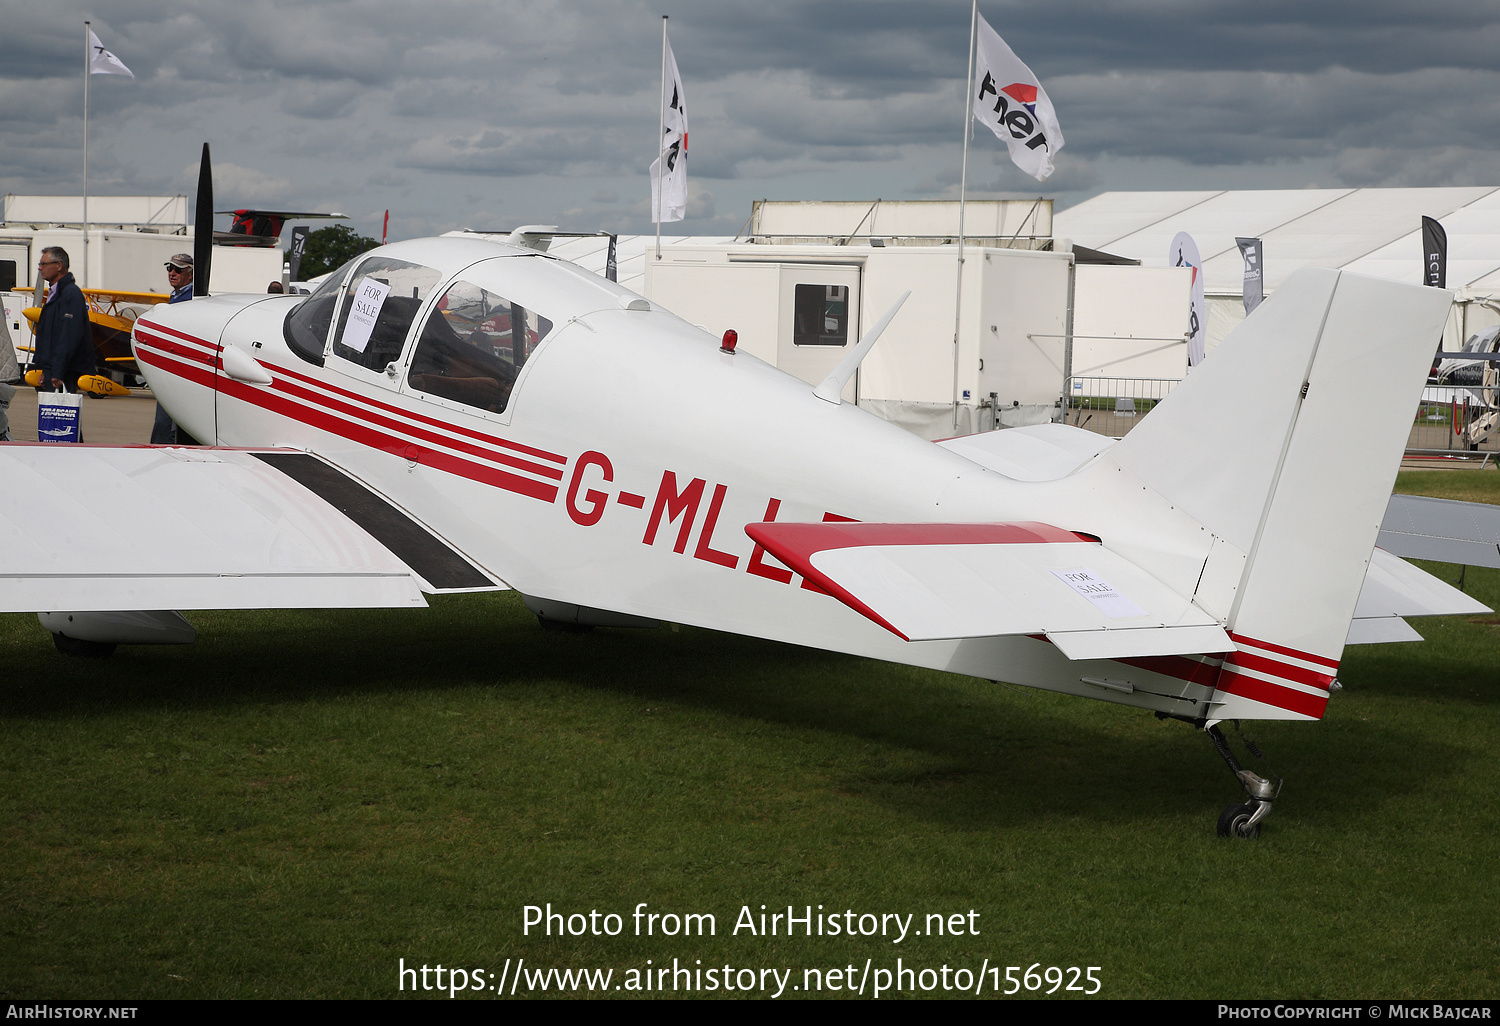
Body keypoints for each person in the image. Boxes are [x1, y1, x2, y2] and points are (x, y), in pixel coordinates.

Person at [32, 247, 95, 393]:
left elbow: (69, 336)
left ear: (59, 266)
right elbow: (51, 335)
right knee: (49, 414)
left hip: (64, 371)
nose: (40, 268)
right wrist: (45, 369)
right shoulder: (55, 293)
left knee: (60, 413)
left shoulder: (70, 294)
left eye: (44, 264)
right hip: (53, 368)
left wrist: (58, 371)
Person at [151, 254, 195, 443]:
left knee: (167, 423)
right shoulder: (176, 295)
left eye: (178, 269)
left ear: (191, 274)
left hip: (179, 370)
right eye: (169, 268)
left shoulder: (191, 298)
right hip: (169, 367)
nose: (172, 272)